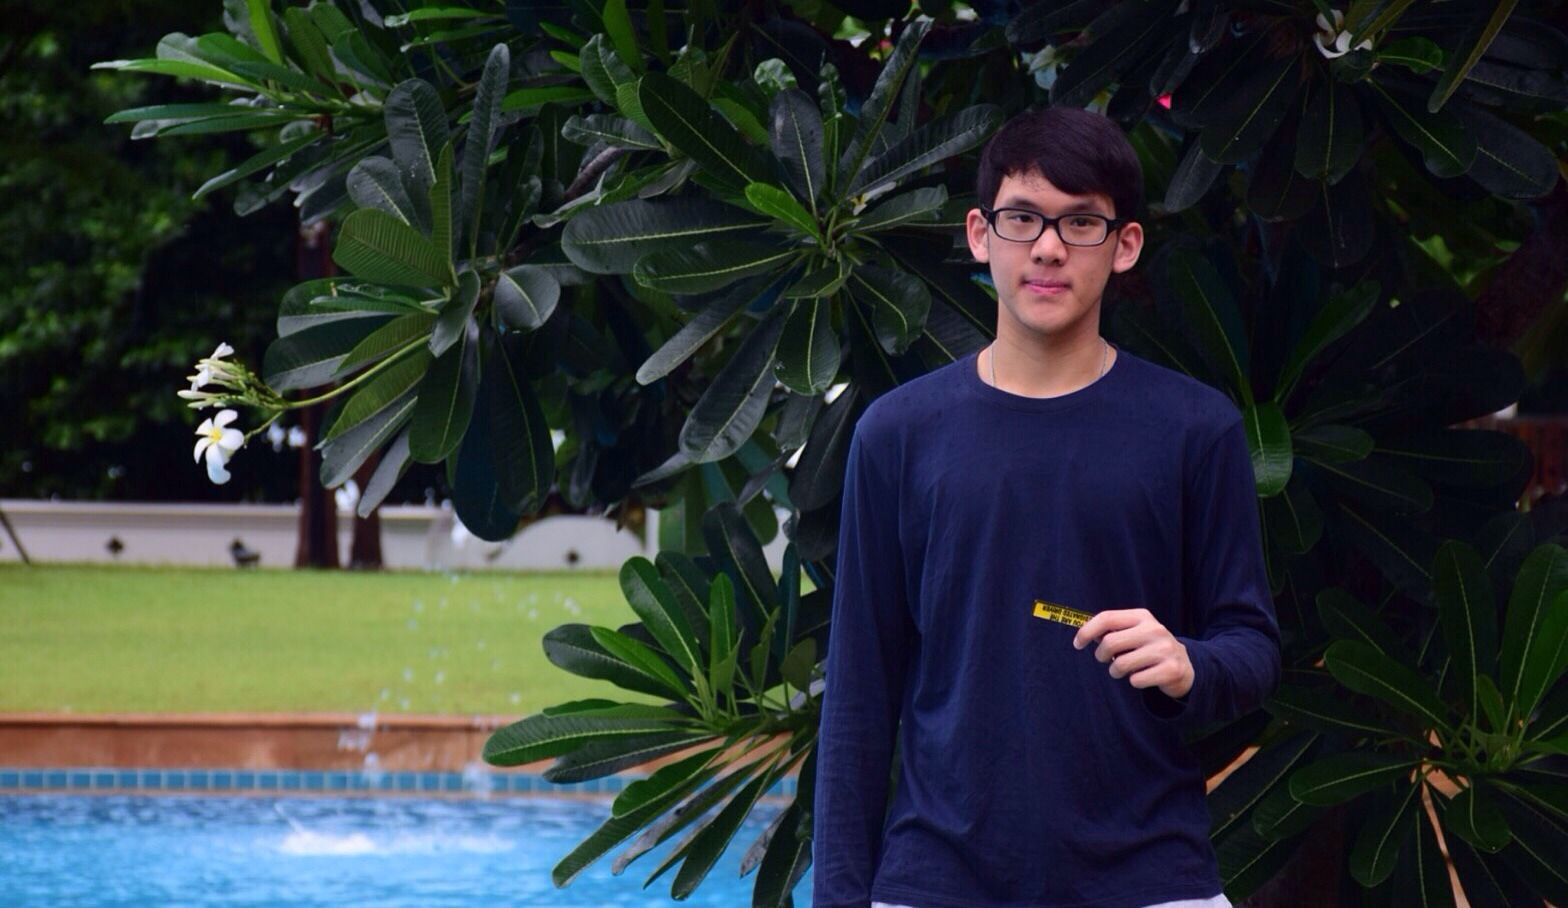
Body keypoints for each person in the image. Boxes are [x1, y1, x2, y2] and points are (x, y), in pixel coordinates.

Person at [810, 104, 1282, 908]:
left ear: (1125, 245)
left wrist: (1189, 663)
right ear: (980, 234)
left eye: (1082, 222)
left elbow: (1254, 648)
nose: (1050, 247)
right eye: (1023, 217)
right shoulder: (897, 434)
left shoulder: (1196, 430)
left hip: (1148, 878)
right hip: (937, 882)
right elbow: (859, 693)